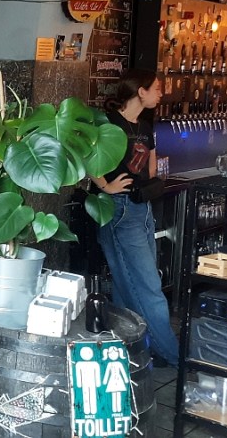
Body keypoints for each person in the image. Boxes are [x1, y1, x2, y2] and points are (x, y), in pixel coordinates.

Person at [90, 69, 180, 368]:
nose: (161, 93)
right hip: (119, 208)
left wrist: (148, 179)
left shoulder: (144, 125)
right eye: (156, 88)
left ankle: (133, 350)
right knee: (148, 286)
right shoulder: (108, 123)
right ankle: (175, 356)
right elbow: (87, 155)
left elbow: (151, 168)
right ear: (140, 91)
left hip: (142, 208)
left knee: (126, 283)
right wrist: (106, 186)